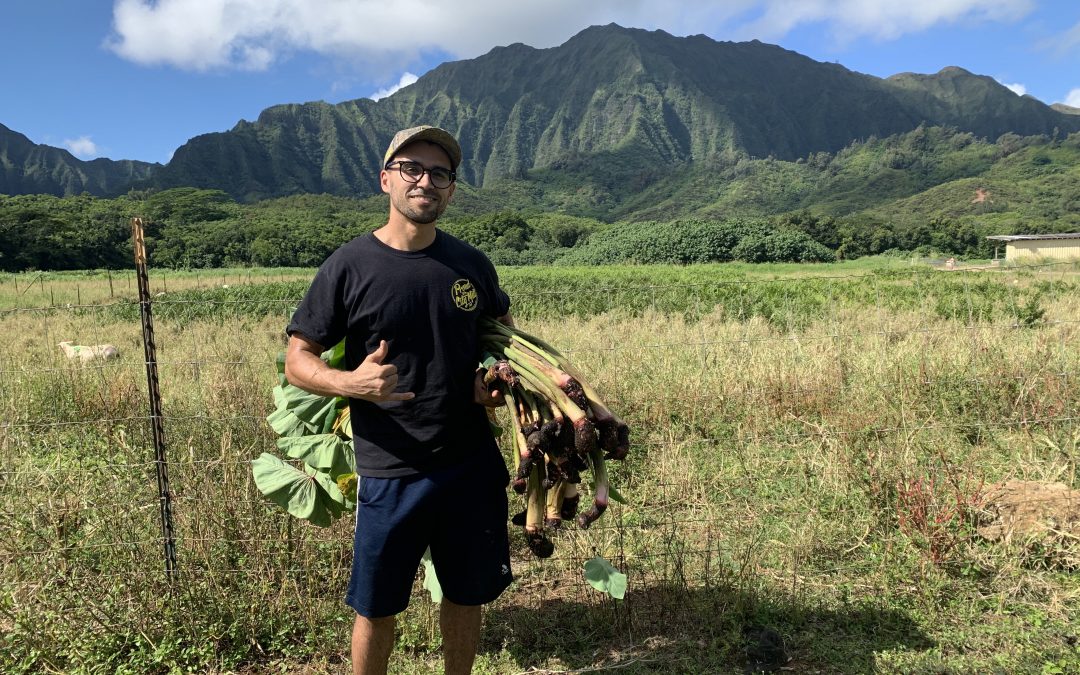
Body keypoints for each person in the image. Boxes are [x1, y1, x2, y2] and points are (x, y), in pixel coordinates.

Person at [283, 125, 514, 675]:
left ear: (451, 190)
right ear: (386, 179)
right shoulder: (349, 266)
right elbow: (298, 358)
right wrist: (350, 383)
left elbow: (500, 333)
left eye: (440, 174)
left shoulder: (471, 266)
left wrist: (491, 381)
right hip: (391, 465)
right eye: (412, 169)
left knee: (466, 595)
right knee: (376, 604)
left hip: (469, 461)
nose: (425, 182)